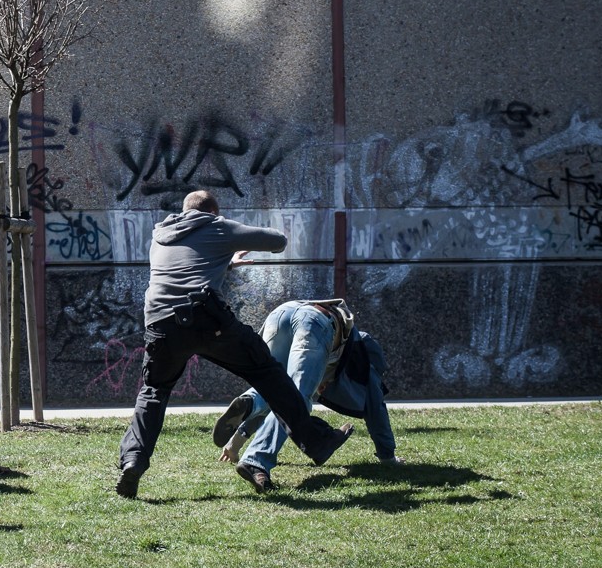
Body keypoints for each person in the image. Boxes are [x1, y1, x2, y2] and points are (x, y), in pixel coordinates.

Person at [116, 190, 351, 499]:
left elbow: (184, 269)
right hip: (207, 320)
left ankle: (133, 459)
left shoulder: (160, 235)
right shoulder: (218, 227)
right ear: (213, 213)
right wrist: (227, 232)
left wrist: (224, 262)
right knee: (268, 374)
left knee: (154, 392)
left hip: (161, 324)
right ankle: (317, 441)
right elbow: (277, 241)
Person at [214, 299, 402, 493]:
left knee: (274, 388)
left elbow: (275, 401)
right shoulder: (364, 358)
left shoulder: (347, 346)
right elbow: (375, 406)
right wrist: (387, 456)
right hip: (315, 322)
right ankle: (257, 460)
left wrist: (234, 444)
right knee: (295, 400)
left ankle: (251, 402)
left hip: (280, 314)